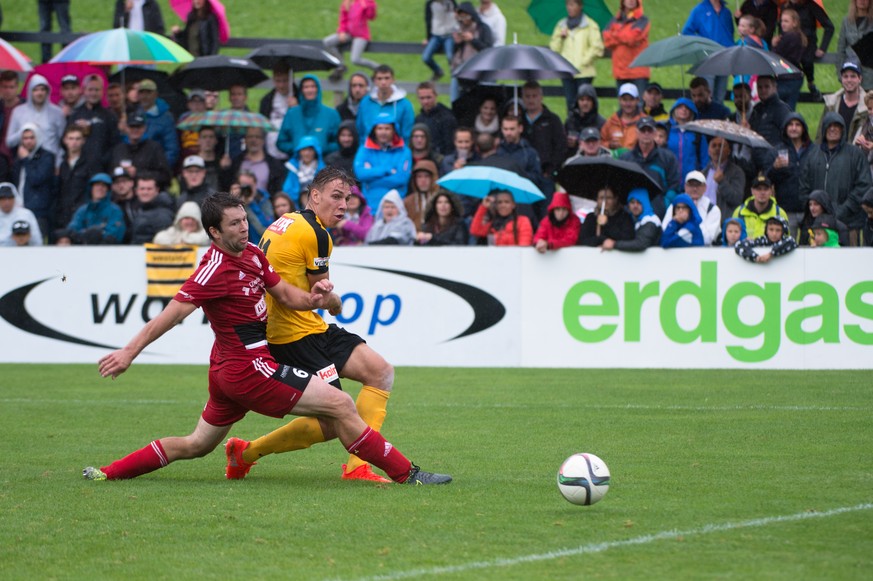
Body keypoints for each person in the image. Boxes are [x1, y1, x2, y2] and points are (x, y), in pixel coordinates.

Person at [84, 191, 450, 486]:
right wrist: (129, 352)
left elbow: (289, 297)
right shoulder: (213, 268)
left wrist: (315, 297)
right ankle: (408, 474)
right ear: (214, 232)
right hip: (248, 369)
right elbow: (172, 314)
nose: (245, 228)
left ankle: (109, 472)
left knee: (196, 445)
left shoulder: (254, 254)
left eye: (244, 219)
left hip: (232, 371)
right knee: (340, 405)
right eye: (234, 224)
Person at [800, 112, 871, 244]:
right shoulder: (812, 155)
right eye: (829, 126)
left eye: (837, 126)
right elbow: (803, 187)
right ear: (824, 128)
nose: (832, 129)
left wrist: (841, 210)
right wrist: (815, 211)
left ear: (843, 129)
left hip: (849, 224)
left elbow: (864, 186)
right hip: (817, 228)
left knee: (848, 263)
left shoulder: (855, 154)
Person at [549, 0, 604, 115]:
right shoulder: (561, 25)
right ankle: (571, 128)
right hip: (567, 72)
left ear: (580, 6)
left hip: (584, 72)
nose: (569, 8)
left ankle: (586, 127)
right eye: (568, 5)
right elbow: (554, 48)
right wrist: (560, 37)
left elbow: (597, 47)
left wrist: (582, 62)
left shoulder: (590, 25)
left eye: (572, 5)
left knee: (585, 103)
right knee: (570, 102)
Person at [619, 116, 680, 217]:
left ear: (655, 133)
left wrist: (663, 206)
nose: (646, 133)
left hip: (657, 214)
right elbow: (620, 186)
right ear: (637, 133)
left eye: (649, 130)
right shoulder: (625, 158)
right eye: (643, 130)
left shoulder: (668, 158)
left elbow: (674, 186)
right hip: (629, 215)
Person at [354, 110, 412, 209]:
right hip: (370, 207)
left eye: (387, 128)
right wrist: (387, 170)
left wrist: (371, 179)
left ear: (394, 130)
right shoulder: (364, 149)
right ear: (374, 130)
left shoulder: (404, 151)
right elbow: (360, 174)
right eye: (380, 128)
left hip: (395, 207)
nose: (383, 132)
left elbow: (401, 178)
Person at [277, 75, 341, 160]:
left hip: (323, 163)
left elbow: (339, 141)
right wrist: (298, 149)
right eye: (306, 87)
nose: (310, 90)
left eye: (313, 86)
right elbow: (281, 142)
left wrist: (323, 148)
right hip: (296, 163)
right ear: (301, 90)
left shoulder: (331, 114)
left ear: (318, 89)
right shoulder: (292, 114)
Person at [5, 74, 65, 164]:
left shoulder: (57, 112)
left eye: (42, 89)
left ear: (47, 91)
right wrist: (24, 130)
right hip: (26, 162)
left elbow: (63, 142)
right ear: (30, 91)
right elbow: (9, 142)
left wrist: (58, 163)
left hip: (50, 163)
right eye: (35, 90)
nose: (39, 93)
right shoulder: (18, 111)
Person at [683, 0, 734, 103]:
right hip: (707, 57)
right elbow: (687, 32)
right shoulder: (699, 10)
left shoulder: (726, 12)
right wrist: (703, 43)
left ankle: (717, 118)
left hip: (724, 57)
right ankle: (705, 118)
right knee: (706, 95)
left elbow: (730, 34)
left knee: (720, 96)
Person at [768, 112, 812, 233]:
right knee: (787, 246)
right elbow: (768, 179)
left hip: (809, 209)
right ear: (785, 128)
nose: (794, 128)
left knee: (810, 248)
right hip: (786, 209)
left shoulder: (813, 150)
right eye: (790, 125)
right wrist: (775, 168)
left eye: (797, 125)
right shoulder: (777, 150)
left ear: (803, 128)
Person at [783, 0, 834, 102]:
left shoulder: (811, 5)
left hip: (808, 43)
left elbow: (829, 27)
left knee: (806, 61)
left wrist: (823, 48)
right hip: (790, 43)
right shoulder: (786, 6)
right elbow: (781, 26)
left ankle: (811, 84)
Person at [69, 74, 122, 173]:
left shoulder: (109, 116)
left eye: (97, 90)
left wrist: (103, 160)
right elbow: (65, 141)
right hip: (79, 169)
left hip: (102, 168)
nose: (93, 93)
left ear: (102, 91)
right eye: (90, 89)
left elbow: (116, 144)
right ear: (83, 90)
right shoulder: (75, 115)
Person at [55, 173, 126, 245]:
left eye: (103, 186)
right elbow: (72, 229)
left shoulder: (115, 210)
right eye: (97, 185)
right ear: (91, 188)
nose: (100, 188)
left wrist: (96, 234)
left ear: (108, 190)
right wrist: (88, 234)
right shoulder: (82, 210)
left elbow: (116, 233)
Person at [11, 123, 56, 239]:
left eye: (32, 137)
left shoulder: (47, 157)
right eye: (25, 138)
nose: (28, 141)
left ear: (38, 137)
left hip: (39, 211)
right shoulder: (19, 159)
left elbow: (36, 179)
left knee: (39, 245)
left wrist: (26, 159)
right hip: (19, 209)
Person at [520, 81, 566, 187]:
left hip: (545, 174)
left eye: (534, 96)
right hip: (524, 173)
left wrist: (551, 171)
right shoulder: (519, 120)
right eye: (527, 96)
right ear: (522, 98)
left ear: (541, 97)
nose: (531, 100)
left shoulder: (552, 120)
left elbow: (560, 146)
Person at [109, 112, 172, 189]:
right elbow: (111, 174)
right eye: (132, 126)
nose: (135, 130)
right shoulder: (118, 150)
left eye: (138, 126)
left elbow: (165, 176)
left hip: (147, 193)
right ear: (126, 128)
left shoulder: (154, 148)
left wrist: (138, 173)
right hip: (123, 193)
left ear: (144, 128)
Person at [355, 65, 416, 144]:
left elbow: (407, 134)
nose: (383, 82)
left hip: (395, 151)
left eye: (387, 78)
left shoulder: (405, 105)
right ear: (374, 81)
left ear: (393, 80)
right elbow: (360, 130)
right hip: (369, 150)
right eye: (379, 79)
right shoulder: (365, 102)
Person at [602, 0, 651, 98]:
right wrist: (624, 35)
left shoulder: (643, 20)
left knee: (640, 107)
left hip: (638, 72)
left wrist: (615, 34)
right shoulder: (615, 20)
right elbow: (606, 40)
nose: (631, 1)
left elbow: (632, 38)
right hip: (620, 72)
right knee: (624, 107)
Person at [448, 2, 493, 103]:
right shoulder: (460, 29)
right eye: (461, 18)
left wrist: (472, 40)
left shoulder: (483, 29)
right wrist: (457, 43)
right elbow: (455, 53)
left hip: (479, 72)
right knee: (456, 102)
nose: (463, 21)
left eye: (465, 17)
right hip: (460, 71)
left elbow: (488, 50)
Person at [324, 0, 380, 82]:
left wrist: (369, 5)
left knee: (355, 59)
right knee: (327, 42)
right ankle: (341, 65)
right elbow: (343, 19)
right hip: (348, 33)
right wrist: (342, 31)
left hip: (361, 35)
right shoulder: (347, 2)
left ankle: (378, 68)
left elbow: (371, 16)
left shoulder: (364, 2)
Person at [663, 170, 721, 245]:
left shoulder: (713, 209)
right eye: (691, 185)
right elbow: (664, 230)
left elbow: (708, 238)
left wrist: (693, 217)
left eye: (698, 185)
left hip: (703, 253)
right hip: (676, 251)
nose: (694, 188)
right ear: (685, 186)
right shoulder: (674, 206)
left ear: (705, 187)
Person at [226, 126, 287, 196]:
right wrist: (225, 169)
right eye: (250, 136)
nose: (253, 140)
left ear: (263, 140)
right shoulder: (235, 162)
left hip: (265, 205)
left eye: (257, 137)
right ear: (245, 139)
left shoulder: (275, 165)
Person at [135, 79, 180, 170]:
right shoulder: (134, 115)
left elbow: (172, 148)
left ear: (155, 94)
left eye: (148, 92)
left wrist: (161, 168)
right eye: (142, 92)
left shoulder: (166, 118)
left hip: (157, 169)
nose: (145, 96)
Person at [818, 62, 868, 143]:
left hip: (858, 152)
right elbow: (821, 132)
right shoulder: (831, 103)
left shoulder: (867, 106)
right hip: (834, 152)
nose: (849, 80)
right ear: (841, 79)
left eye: (853, 76)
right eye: (845, 76)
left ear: (860, 79)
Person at [666, 98, 708, 191]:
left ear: (692, 112)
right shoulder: (667, 131)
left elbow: (705, 161)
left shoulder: (699, 134)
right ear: (674, 110)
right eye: (680, 107)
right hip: (669, 182)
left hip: (692, 184)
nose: (683, 109)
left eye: (687, 108)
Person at [732, 174, 790, 239]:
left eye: (765, 189)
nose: (762, 192)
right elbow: (732, 237)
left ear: (771, 191)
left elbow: (786, 239)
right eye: (758, 189)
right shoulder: (739, 212)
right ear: (752, 191)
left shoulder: (779, 213)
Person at [701, 136, 745, 219]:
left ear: (728, 151)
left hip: (723, 221)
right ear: (708, 151)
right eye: (714, 146)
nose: (717, 149)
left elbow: (737, 199)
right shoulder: (703, 173)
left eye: (721, 146)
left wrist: (722, 182)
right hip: (704, 218)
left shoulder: (737, 172)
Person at [772, 8, 806, 110]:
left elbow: (777, 56)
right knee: (790, 107)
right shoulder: (799, 36)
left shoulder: (789, 37)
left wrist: (774, 45)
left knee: (779, 108)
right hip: (795, 77)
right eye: (782, 21)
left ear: (794, 23)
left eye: (786, 21)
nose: (783, 24)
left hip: (786, 77)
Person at [259, 66, 296, 161]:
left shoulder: (299, 97)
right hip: (270, 149)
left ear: (291, 80)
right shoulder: (266, 100)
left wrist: (296, 108)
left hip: (291, 149)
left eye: (285, 81)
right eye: (278, 81)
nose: (281, 85)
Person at [128, 174, 176, 245]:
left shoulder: (163, 214)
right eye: (142, 189)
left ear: (157, 190)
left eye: (149, 189)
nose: (145, 192)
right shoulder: (134, 209)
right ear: (136, 191)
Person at [836, 0, 873, 90]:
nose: (862, 1)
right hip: (850, 71)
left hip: (869, 73)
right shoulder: (846, 21)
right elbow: (841, 48)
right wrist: (840, 73)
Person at [415, 82, 457, 156]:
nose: (425, 101)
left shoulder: (447, 117)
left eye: (428, 97)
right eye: (422, 98)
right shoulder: (418, 119)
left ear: (436, 96)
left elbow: (450, 147)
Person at [282, 136, 325, 205]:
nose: (306, 153)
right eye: (304, 149)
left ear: (316, 151)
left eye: (310, 150)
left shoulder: (322, 170)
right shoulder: (293, 168)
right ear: (299, 151)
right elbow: (288, 190)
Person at [422, 0, 458, 82]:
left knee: (450, 57)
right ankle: (438, 71)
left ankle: (455, 78)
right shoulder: (430, 4)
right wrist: (428, 38)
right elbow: (428, 20)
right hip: (436, 35)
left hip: (449, 35)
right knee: (426, 57)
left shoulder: (451, 2)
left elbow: (458, 15)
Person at [600, 83, 643, 152]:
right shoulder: (611, 122)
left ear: (637, 100)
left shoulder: (644, 121)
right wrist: (610, 145)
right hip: (615, 161)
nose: (628, 104)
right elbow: (600, 143)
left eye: (631, 100)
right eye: (625, 100)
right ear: (619, 100)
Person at [0, 183, 42, 247]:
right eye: (3, 198)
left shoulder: (26, 214)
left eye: (10, 198)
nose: (7, 202)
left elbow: (37, 241)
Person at [405, 159, 440, 231]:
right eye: (419, 177)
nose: (423, 180)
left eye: (427, 176)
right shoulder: (408, 202)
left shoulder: (441, 200)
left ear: (433, 178)